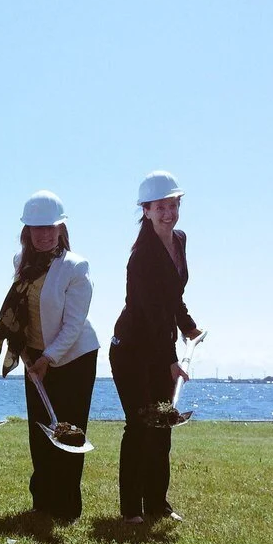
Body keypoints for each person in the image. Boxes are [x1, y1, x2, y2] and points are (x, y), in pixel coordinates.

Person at [0, 191, 99, 521]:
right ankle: (42, 503)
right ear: (27, 231)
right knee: (40, 430)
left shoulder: (76, 267)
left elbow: (73, 325)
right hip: (34, 356)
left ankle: (67, 507)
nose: (44, 234)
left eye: (50, 227)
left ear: (61, 228)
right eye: (37, 228)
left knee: (68, 432)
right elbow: (21, 311)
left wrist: (48, 359)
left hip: (73, 358)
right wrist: (27, 351)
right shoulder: (21, 263)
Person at [109, 171, 202, 524]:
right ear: (146, 210)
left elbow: (173, 296)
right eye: (160, 207)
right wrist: (171, 361)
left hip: (160, 346)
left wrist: (188, 326)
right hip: (131, 350)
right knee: (140, 425)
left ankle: (157, 504)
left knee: (163, 426)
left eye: (173, 205)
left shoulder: (179, 240)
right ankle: (131, 509)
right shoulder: (141, 257)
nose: (168, 213)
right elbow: (149, 314)